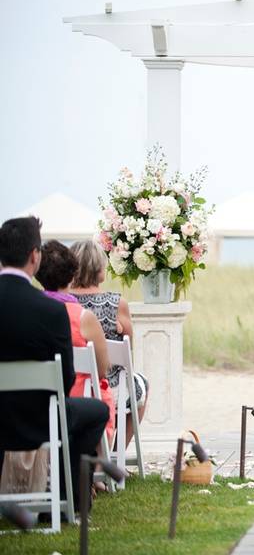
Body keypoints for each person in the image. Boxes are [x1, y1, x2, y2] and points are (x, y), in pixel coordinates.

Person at [0, 217, 109, 514]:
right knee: (97, 411)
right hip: (39, 422)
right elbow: (65, 378)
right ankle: (65, 495)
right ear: (34, 256)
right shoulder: (51, 310)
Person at [35, 240, 117, 448]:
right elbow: (102, 368)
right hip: (78, 396)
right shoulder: (82, 317)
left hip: (37, 399)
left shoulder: (31, 313)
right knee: (102, 398)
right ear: (72, 276)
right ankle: (95, 465)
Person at [70, 239, 148, 449]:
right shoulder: (117, 303)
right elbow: (127, 351)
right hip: (110, 387)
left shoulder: (62, 301)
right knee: (142, 385)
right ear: (100, 270)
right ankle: (114, 453)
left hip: (71, 384)